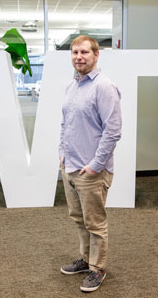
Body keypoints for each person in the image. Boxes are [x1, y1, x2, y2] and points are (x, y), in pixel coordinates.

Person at [59, 35, 122, 292]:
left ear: (96, 55)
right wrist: (62, 153)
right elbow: (66, 124)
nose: (79, 57)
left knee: (95, 223)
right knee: (79, 219)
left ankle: (98, 269)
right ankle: (85, 260)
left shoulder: (104, 87)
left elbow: (113, 131)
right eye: (75, 52)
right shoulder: (72, 86)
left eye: (84, 52)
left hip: (91, 171)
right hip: (71, 166)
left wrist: (96, 165)